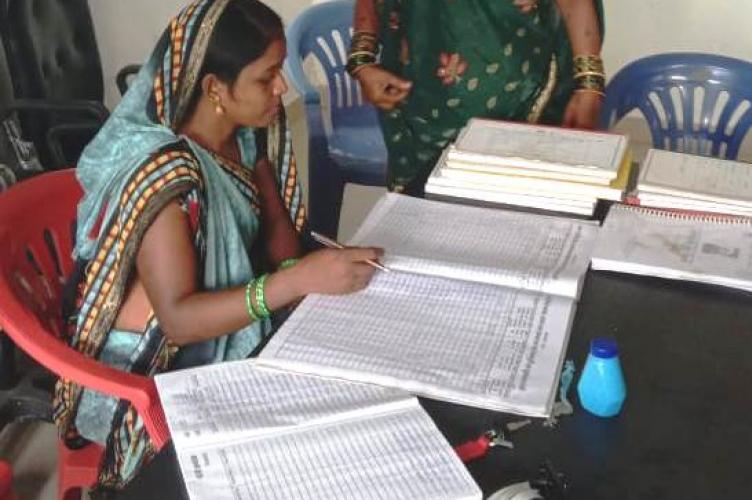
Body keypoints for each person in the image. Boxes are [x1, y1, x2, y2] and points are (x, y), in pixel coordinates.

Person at [53, 0, 381, 490]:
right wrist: (295, 281)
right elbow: (179, 322)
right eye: (267, 77)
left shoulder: (243, 136)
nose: (282, 88)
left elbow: (277, 236)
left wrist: (303, 280)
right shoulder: (168, 175)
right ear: (215, 89)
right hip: (152, 366)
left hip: (218, 327)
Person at [349, 0, 605, 195]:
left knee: (514, 227)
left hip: (522, 100)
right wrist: (362, 60)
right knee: (425, 226)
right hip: (418, 104)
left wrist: (589, 83)